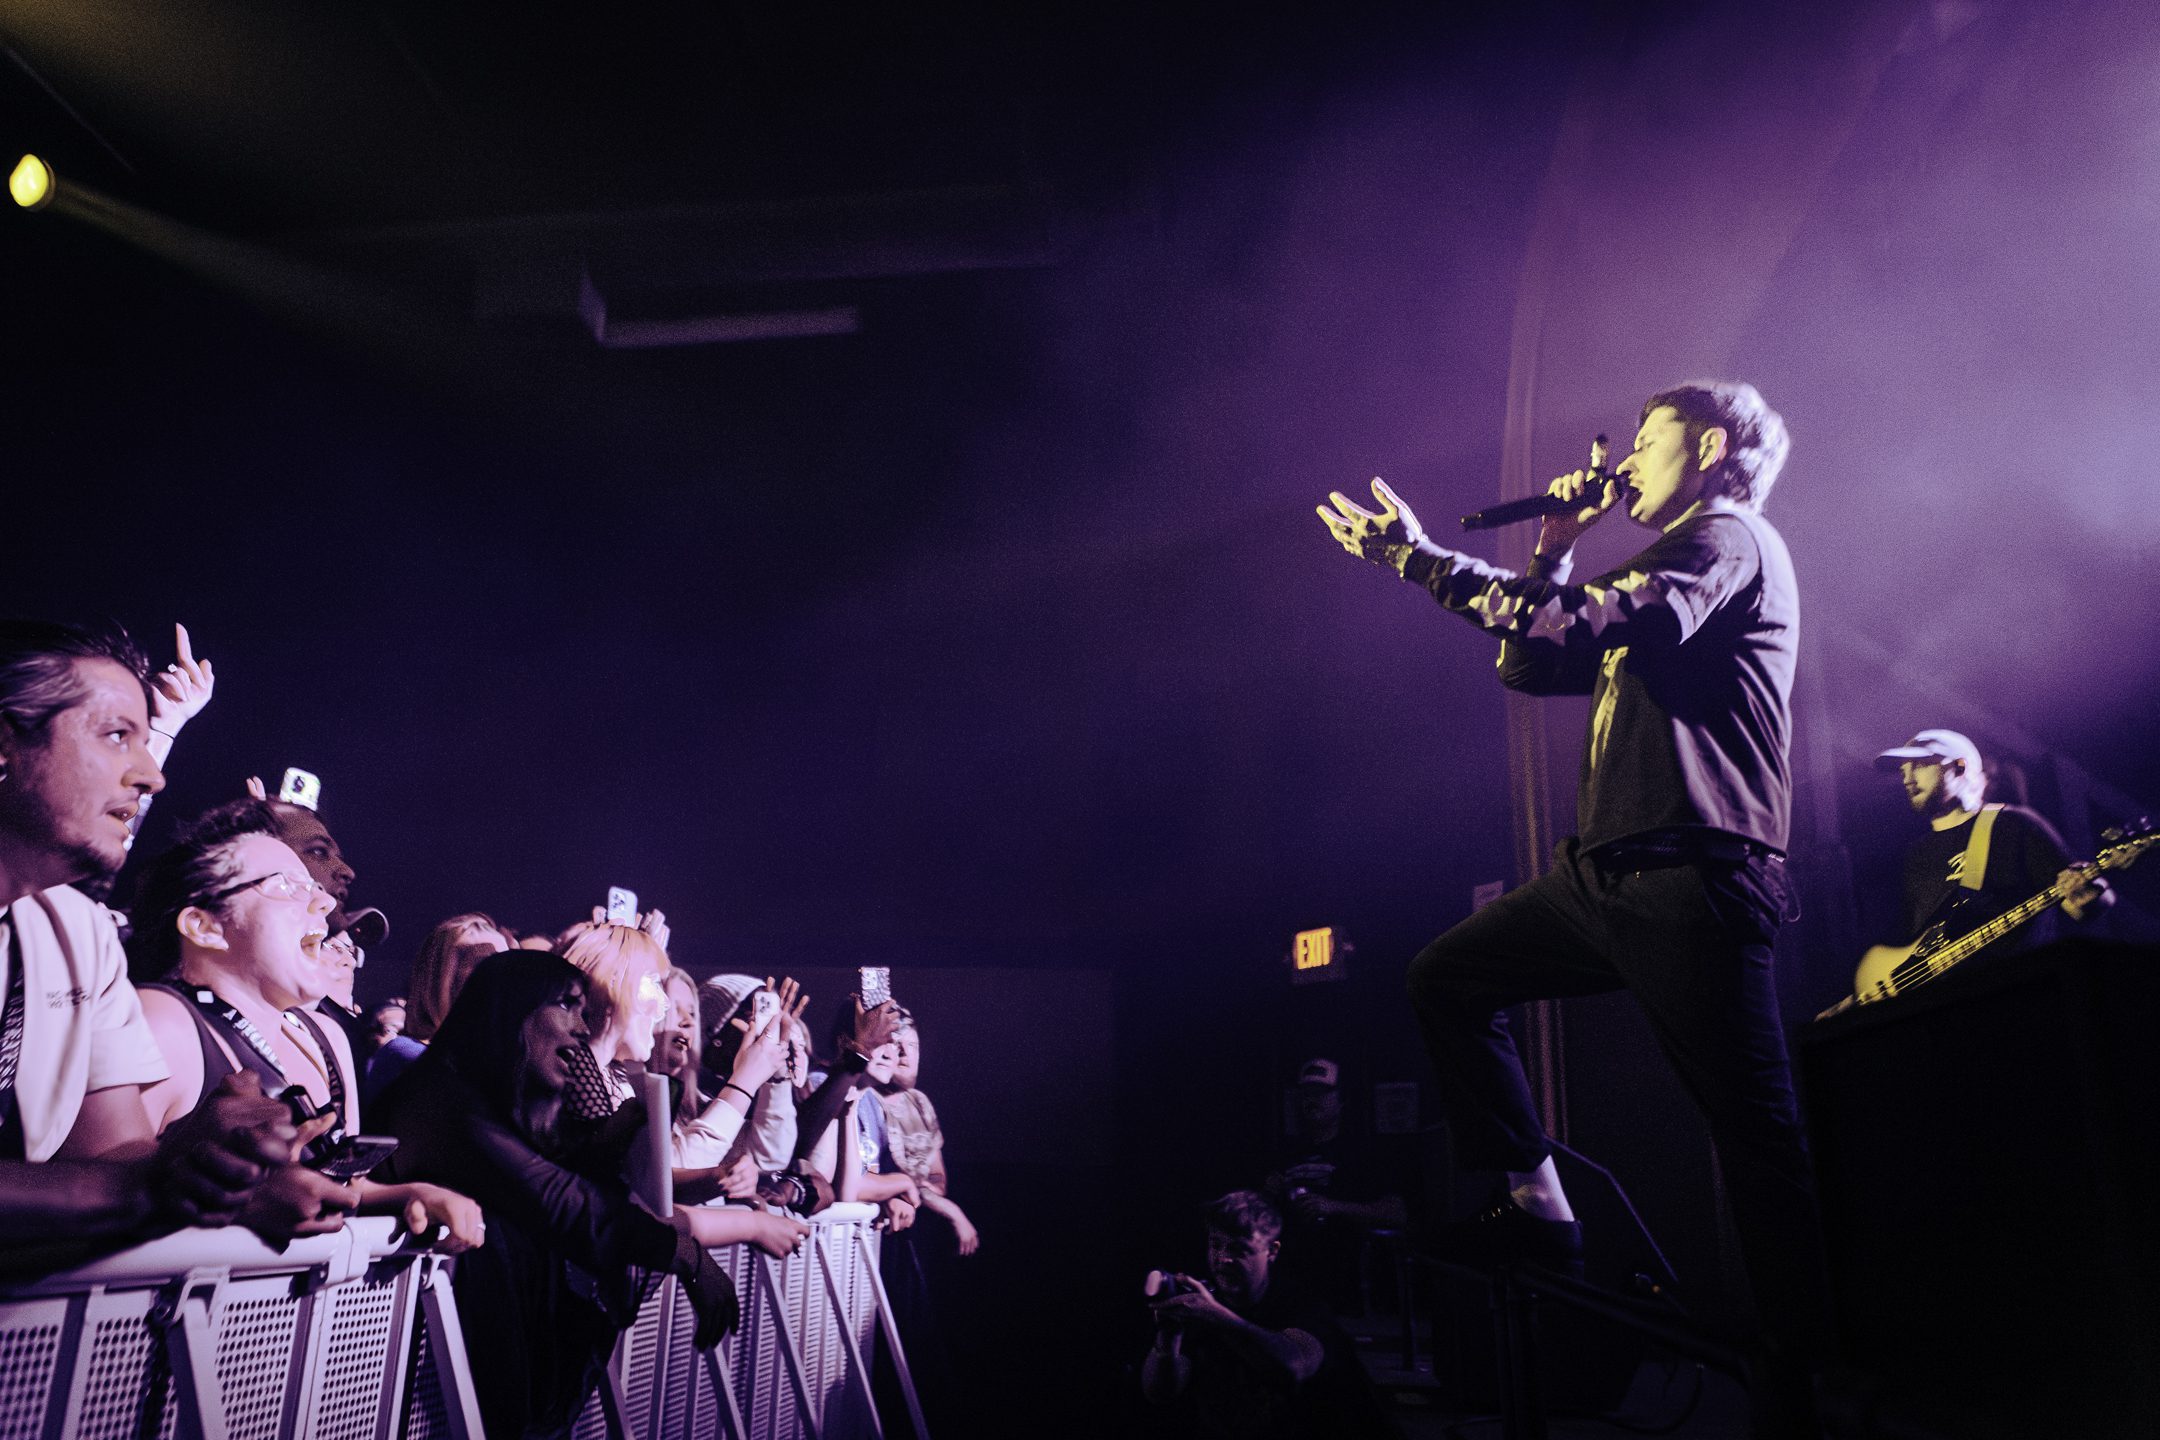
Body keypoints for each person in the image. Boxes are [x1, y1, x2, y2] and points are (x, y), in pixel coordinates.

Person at [1319, 383, 1828, 1415]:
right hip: (1610, 877)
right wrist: (1552, 544)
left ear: (1713, 444)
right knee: (1447, 979)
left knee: (1756, 1136)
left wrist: (1419, 559)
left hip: (1694, 875)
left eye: (1649, 437)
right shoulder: (1670, 554)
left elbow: (1582, 622)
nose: (1629, 456)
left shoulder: (1725, 537)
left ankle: (1814, 1369)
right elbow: (1533, 658)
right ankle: (1536, 1202)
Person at [372, 951, 807, 1438]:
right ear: (512, 1009)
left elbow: (587, 1190)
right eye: (566, 1006)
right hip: (407, 1397)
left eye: (584, 1010)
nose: (581, 1027)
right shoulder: (445, 1099)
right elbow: (561, 1199)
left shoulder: (494, 1099)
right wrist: (685, 1254)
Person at [0, 619, 297, 1262]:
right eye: (116, 737)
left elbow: (110, 1154)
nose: (152, 777)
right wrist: (135, 1189)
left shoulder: (81, 936)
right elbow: (115, 1183)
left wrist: (213, 1162)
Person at [126, 800, 482, 1250]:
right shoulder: (165, 1022)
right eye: (288, 886)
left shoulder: (325, 1037)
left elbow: (345, 1186)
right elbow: (101, 1193)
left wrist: (411, 1194)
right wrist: (239, 1199)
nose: (325, 900)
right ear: (204, 925)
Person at [1821, 728, 2112, 1014]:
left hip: (2019, 1000)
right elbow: (1910, 946)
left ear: (1959, 768)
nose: (1907, 779)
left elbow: (2084, 901)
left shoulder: (2013, 825)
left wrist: (2089, 897)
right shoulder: (1915, 856)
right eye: (1903, 771)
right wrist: (1861, 999)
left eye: (1920, 765)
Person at [1141, 1189, 1402, 1440]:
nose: (1223, 1259)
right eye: (1216, 1245)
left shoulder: (1300, 1305)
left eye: (1238, 1249)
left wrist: (1217, 1317)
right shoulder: (1203, 1306)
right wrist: (1167, 1341)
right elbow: (1159, 1392)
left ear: (1272, 1251)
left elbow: (1294, 1366)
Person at [1263, 1059, 1409, 1314]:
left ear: (1340, 1100)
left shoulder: (1362, 1153)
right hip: (1292, 1279)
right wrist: (1269, 1194)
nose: (1313, 1100)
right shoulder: (1285, 1153)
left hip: (1346, 1278)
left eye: (1322, 1093)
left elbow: (1396, 1213)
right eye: (1307, 1093)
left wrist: (1334, 1207)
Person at [362, 912, 510, 1106]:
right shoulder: (404, 1054)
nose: (504, 977)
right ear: (441, 979)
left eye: (508, 963)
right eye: (485, 964)